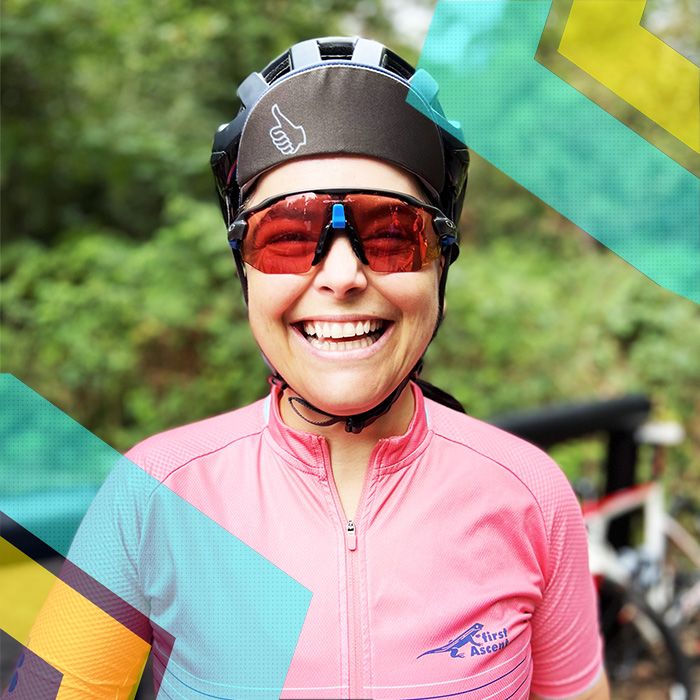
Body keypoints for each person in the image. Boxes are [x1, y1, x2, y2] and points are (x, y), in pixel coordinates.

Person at [7, 36, 609, 700]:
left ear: (441, 261)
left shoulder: (530, 495)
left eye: (391, 233)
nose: (344, 276)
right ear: (245, 270)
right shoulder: (151, 497)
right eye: (290, 237)